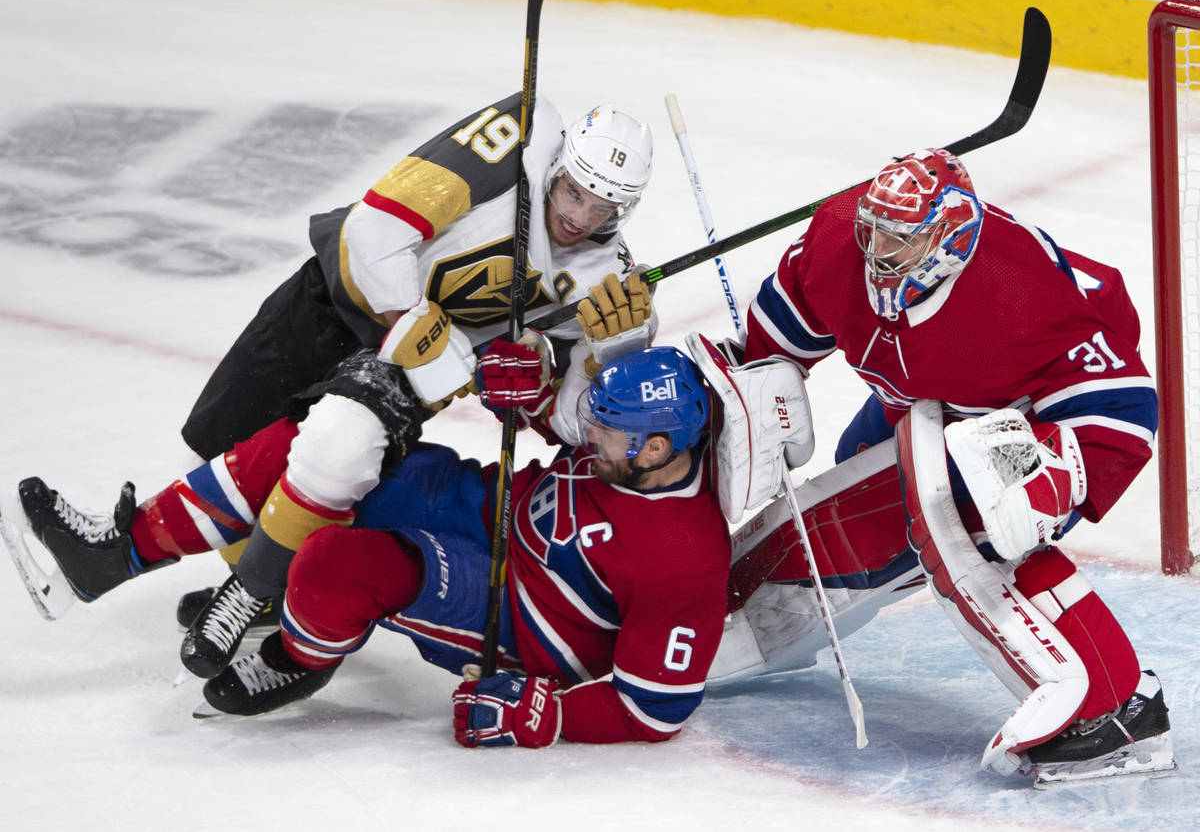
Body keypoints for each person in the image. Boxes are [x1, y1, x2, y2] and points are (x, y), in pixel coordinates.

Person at [8, 93, 659, 679]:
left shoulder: (608, 278)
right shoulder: (517, 138)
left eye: (603, 207)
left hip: (398, 376)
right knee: (216, 454)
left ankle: (273, 613)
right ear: (560, 166)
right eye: (574, 191)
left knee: (329, 462)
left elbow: (580, 427)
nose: (579, 215)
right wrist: (436, 346)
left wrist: (614, 352)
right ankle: (262, 586)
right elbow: (372, 232)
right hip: (336, 305)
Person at [6, 347, 733, 747]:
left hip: (511, 604)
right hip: (488, 502)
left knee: (337, 569)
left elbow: (656, 709)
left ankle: (299, 657)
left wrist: (550, 715)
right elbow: (566, 414)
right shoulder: (636, 443)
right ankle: (118, 552)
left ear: (657, 446)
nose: (591, 432)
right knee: (325, 444)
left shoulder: (688, 557)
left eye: (606, 429)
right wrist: (535, 383)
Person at [735, 147, 1172, 784]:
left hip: (1018, 416)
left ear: (950, 237)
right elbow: (782, 328)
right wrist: (757, 387)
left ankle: (1116, 704)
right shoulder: (838, 241)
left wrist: (1055, 473)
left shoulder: (1025, 290)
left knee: (977, 520)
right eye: (873, 232)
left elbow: (1124, 404)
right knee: (857, 496)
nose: (878, 252)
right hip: (915, 400)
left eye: (899, 239)